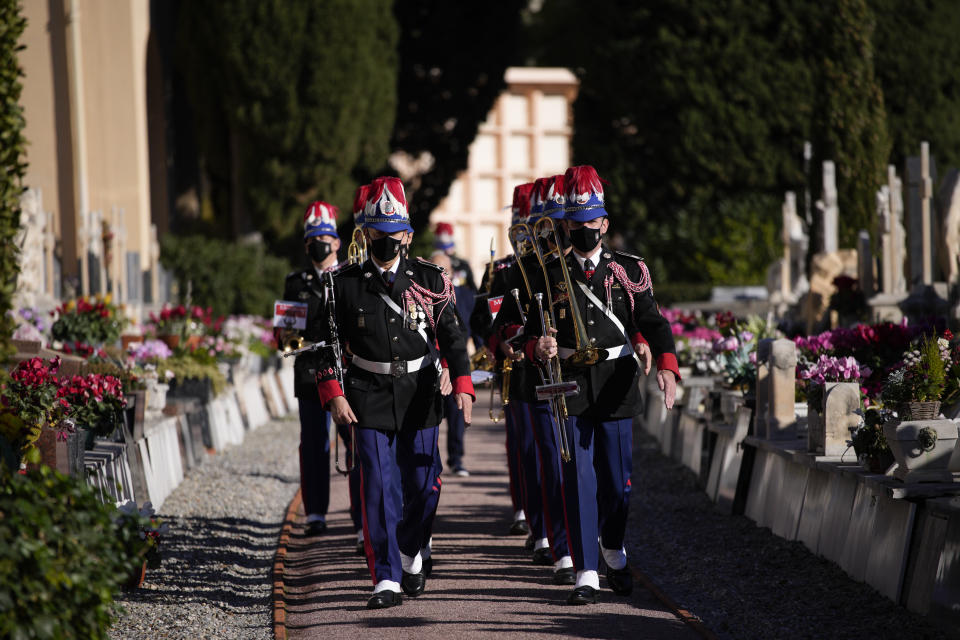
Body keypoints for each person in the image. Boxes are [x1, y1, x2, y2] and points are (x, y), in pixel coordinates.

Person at [316, 176, 475, 610]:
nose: (386, 243)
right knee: (379, 486)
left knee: (426, 485)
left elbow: (453, 335)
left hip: (420, 391)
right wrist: (334, 392)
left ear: (407, 234)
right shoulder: (341, 283)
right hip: (366, 394)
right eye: (377, 236)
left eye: (393, 235)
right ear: (366, 234)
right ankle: (384, 575)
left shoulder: (431, 279)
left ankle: (410, 549)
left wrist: (461, 380)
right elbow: (323, 343)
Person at [527, 165, 679, 605]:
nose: (584, 232)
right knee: (577, 478)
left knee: (617, 482)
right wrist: (539, 346)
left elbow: (652, 321)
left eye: (591, 225)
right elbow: (520, 329)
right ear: (566, 226)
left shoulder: (629, 270)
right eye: (575, 226)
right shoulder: (547, 271)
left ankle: (613, 547)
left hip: (616, 382)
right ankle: (586, 570)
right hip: (569, 385)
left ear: (604, 225)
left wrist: (667, 364)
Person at [493, 175, 576, 585]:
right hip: (534, 375)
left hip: (581, 378)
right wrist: (515, 344)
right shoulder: (521, 270)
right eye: (552, 225)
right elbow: (502, 320)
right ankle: (551, 538)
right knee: (544, 459)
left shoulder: (583, 265)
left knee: (581, 465)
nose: (558, 232)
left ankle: (584, 539)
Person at [282, 201, 361, 541]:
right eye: (314, 238)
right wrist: (286, 336)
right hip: (310, 372)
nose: (320, 243)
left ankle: (362, 519)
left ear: (337, 242)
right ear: (305, 244)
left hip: (346, 372)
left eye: (326, 237)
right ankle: (316, 512)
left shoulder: (350, 276)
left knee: (355, 443)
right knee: (314, 444)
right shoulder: (295, 282)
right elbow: (285, 333)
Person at [433, 222, 476, 476]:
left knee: (458, 413)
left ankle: (456, 458)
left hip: (455, 356)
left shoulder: (463, 289)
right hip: (431, 362)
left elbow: (464, 326)